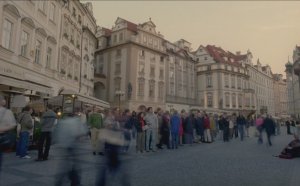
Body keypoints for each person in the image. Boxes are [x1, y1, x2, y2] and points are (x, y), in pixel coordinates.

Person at [54, 113, 88, 186]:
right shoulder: (76, 121)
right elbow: (79, 134)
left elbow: (56, 135)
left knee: (65, 165)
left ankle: (59, 181)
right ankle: (75, 182)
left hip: (63, 146)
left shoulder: (62, 122)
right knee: (74, 165)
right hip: (72, 146)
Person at [0, 95, 16, 173]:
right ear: (2, 101)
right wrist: (3, 129)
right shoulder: (8, 112)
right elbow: (13, 125)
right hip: (2, 137)